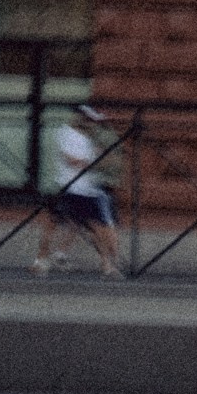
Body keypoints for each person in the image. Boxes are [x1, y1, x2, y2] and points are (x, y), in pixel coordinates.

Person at [34, 105, 123, 279]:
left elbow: (101, 160)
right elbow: (72, 160)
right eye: (89, 120)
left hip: (87, 189)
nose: (91, 124)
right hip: (68, 187)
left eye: (92, 121)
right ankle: (41, 260)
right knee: (53, 224)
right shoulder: (66, 133)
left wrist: (100, 160)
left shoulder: (89, 137)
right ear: (80, 117)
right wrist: (95, 160)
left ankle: (107, 265)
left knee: (97, 227)